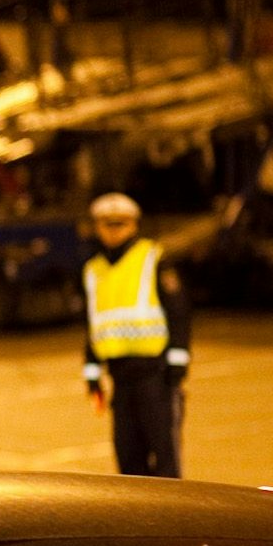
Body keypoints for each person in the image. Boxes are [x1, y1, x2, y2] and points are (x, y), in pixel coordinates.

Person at [81, 192, 192, 477]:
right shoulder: (93, 269)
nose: (113, 231)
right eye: (107, 224)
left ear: (134, 225)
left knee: (166, 462)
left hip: (155, 376)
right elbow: (94, 323)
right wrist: (92, 373)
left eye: (120, 224)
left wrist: (178, 362)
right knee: (128, 463)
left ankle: (170, 508)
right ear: (97, 227)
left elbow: (178, 312)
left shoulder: (153, 258)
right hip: (120, 379)